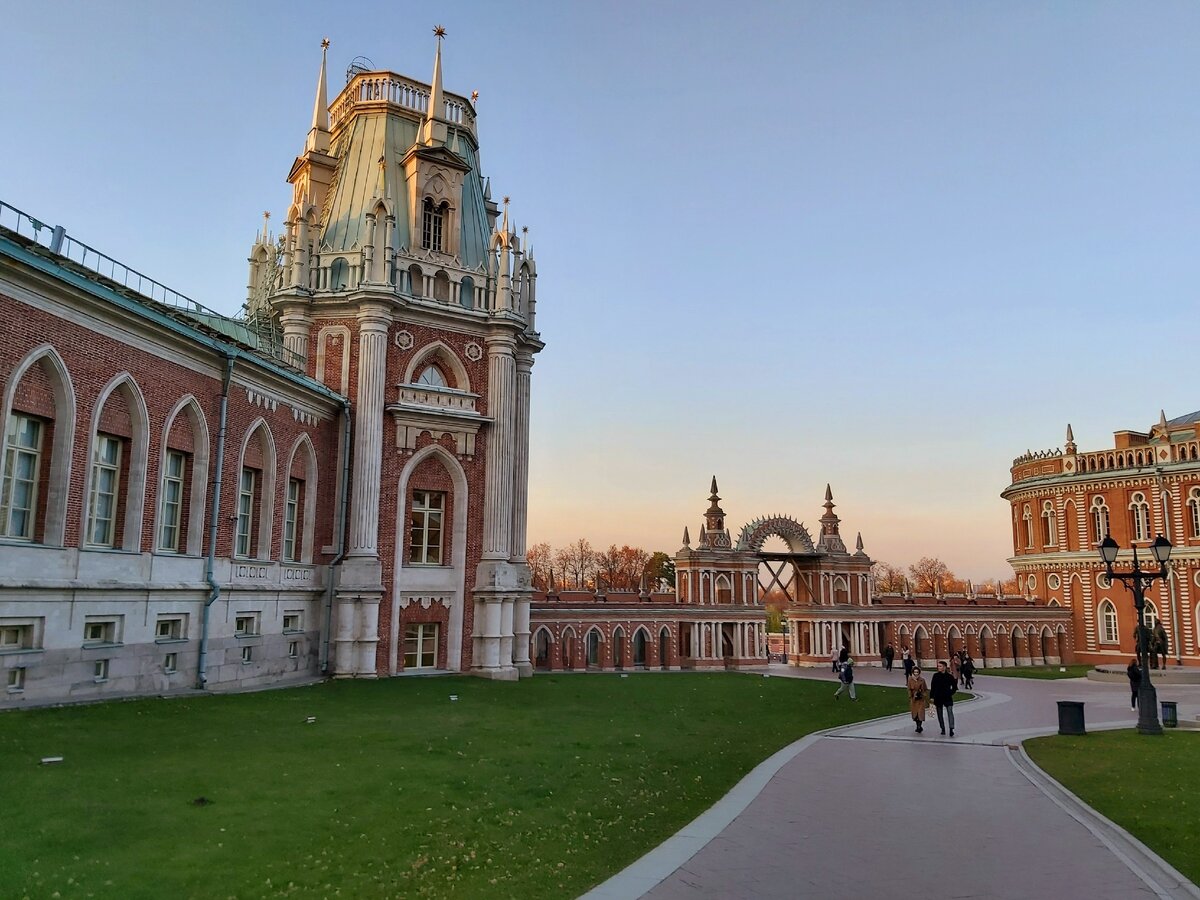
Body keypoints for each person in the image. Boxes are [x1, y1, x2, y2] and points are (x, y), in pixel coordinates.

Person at [929, 660, 957, 736]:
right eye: (938, 666)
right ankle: (943, 728)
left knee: (950, 712)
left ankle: (951, 728)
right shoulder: (935, 676)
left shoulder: (949, 676)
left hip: (947, 697)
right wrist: (931, 697)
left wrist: (950, 693)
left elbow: (955, 687)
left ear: (944, 667)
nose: (939, 668)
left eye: (940, 666)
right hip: (938, 697)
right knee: (939, 714)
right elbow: (933, 687)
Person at [907, 665, 928, 733]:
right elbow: (909, 689)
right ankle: (917, 725)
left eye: (917, 672)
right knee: (915, 714)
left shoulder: (922, 680)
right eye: (915, 672)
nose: (916, 674)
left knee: (920, 713)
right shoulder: (910, 679)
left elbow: (925, 689)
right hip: (914, 699)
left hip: (920, 699)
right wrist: (911, 696)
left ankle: (919, 726)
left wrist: (922, 694)